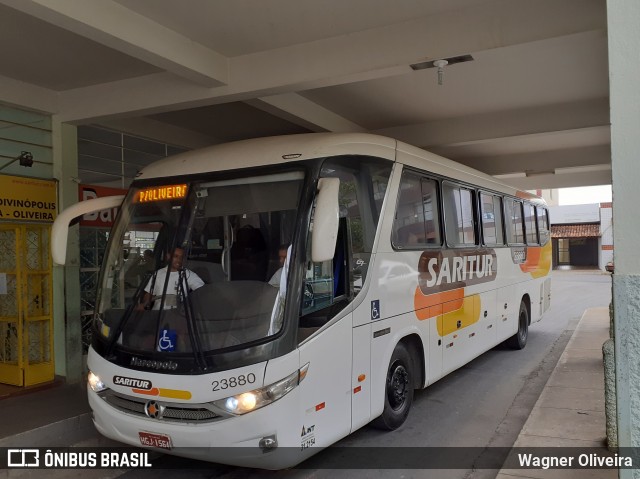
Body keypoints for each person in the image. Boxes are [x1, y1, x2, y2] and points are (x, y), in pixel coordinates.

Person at [138, 247, 204, 310]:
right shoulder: (158, 273)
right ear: (168, 256)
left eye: (181, 257)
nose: (179, 260)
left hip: (177, 316)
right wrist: (144, 304)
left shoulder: (189, 274)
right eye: (176, 256)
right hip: (157, 315)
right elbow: (149, 294)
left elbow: (203, 292)